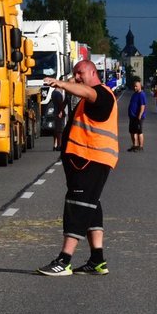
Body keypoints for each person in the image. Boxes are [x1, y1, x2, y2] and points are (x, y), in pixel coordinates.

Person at [37, 60, 119, 277]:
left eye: (81, 73)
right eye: (75, 74)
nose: (77, 77)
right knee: (91, 206)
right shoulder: (86, 96)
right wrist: (69, 82)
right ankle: (97, 260)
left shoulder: (100, 94)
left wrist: (63, 84)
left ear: (93, 72)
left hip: (90, 159)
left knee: (77, 205)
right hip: (86, 160)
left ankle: (64, 260)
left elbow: (87, 92)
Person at [127, 78, 146, 151]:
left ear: (140, 86)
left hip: (138, 116)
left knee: (139, 131)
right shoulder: (135, 94)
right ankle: (135, 145)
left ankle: (140, 146)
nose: (134, 87)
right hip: (132, 116)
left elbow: (142, 106)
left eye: (136, 86)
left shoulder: (141, 94)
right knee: (132, 131)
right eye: (134, 86)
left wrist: (140, 115)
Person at [50, 86, 67, 151]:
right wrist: (61, 112)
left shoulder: (53, 92)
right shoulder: (58, 94)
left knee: (56, 129)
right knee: (59, 130)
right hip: (59, 112)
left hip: (55, 111)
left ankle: (55, 144)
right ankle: (59, 145)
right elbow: (60, 104)